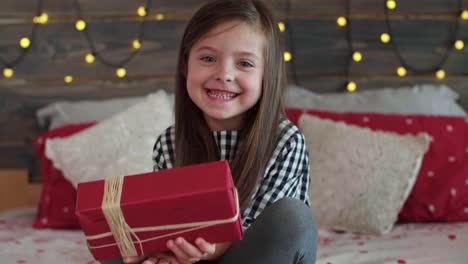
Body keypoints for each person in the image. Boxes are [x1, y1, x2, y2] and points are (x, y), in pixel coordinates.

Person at [117, 0, 317, 263]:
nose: (224, 74)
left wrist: (204, 249)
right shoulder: (169, 143)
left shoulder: (285, 141)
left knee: (291, 218)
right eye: (208, 58)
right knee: (117, 245)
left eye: (244, 63)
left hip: (253, 257)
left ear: (267, 75)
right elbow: (169, 225)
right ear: (185, 65)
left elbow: (260, 232)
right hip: (192, 258)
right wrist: (160, 251)